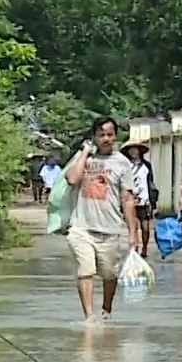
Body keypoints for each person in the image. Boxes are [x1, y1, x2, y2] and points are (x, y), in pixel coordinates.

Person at [63, 117, 140, 321]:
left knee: (109, 275)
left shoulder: (122, 163)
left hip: (110, 229)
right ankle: (89, 316)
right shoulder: (83, 159)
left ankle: (106, 311)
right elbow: (72, 179)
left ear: (115, 136)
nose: (105, 138)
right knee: (85, 270)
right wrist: (85, 152)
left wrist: (133, 233)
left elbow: (127, 199)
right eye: (101, 135)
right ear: (94, 137)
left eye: (109, 134)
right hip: (81, 227)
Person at [121, 138, 157, 248]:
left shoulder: (147, 166)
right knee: (133, 226)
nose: (133, 152)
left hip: (145, 200)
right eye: (131, 150)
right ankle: (135, 247)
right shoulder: (125, 166)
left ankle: (145, 247)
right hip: (130, 200)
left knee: (145, 227)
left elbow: (151, 182)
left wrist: (152, 200)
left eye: (135, 150)